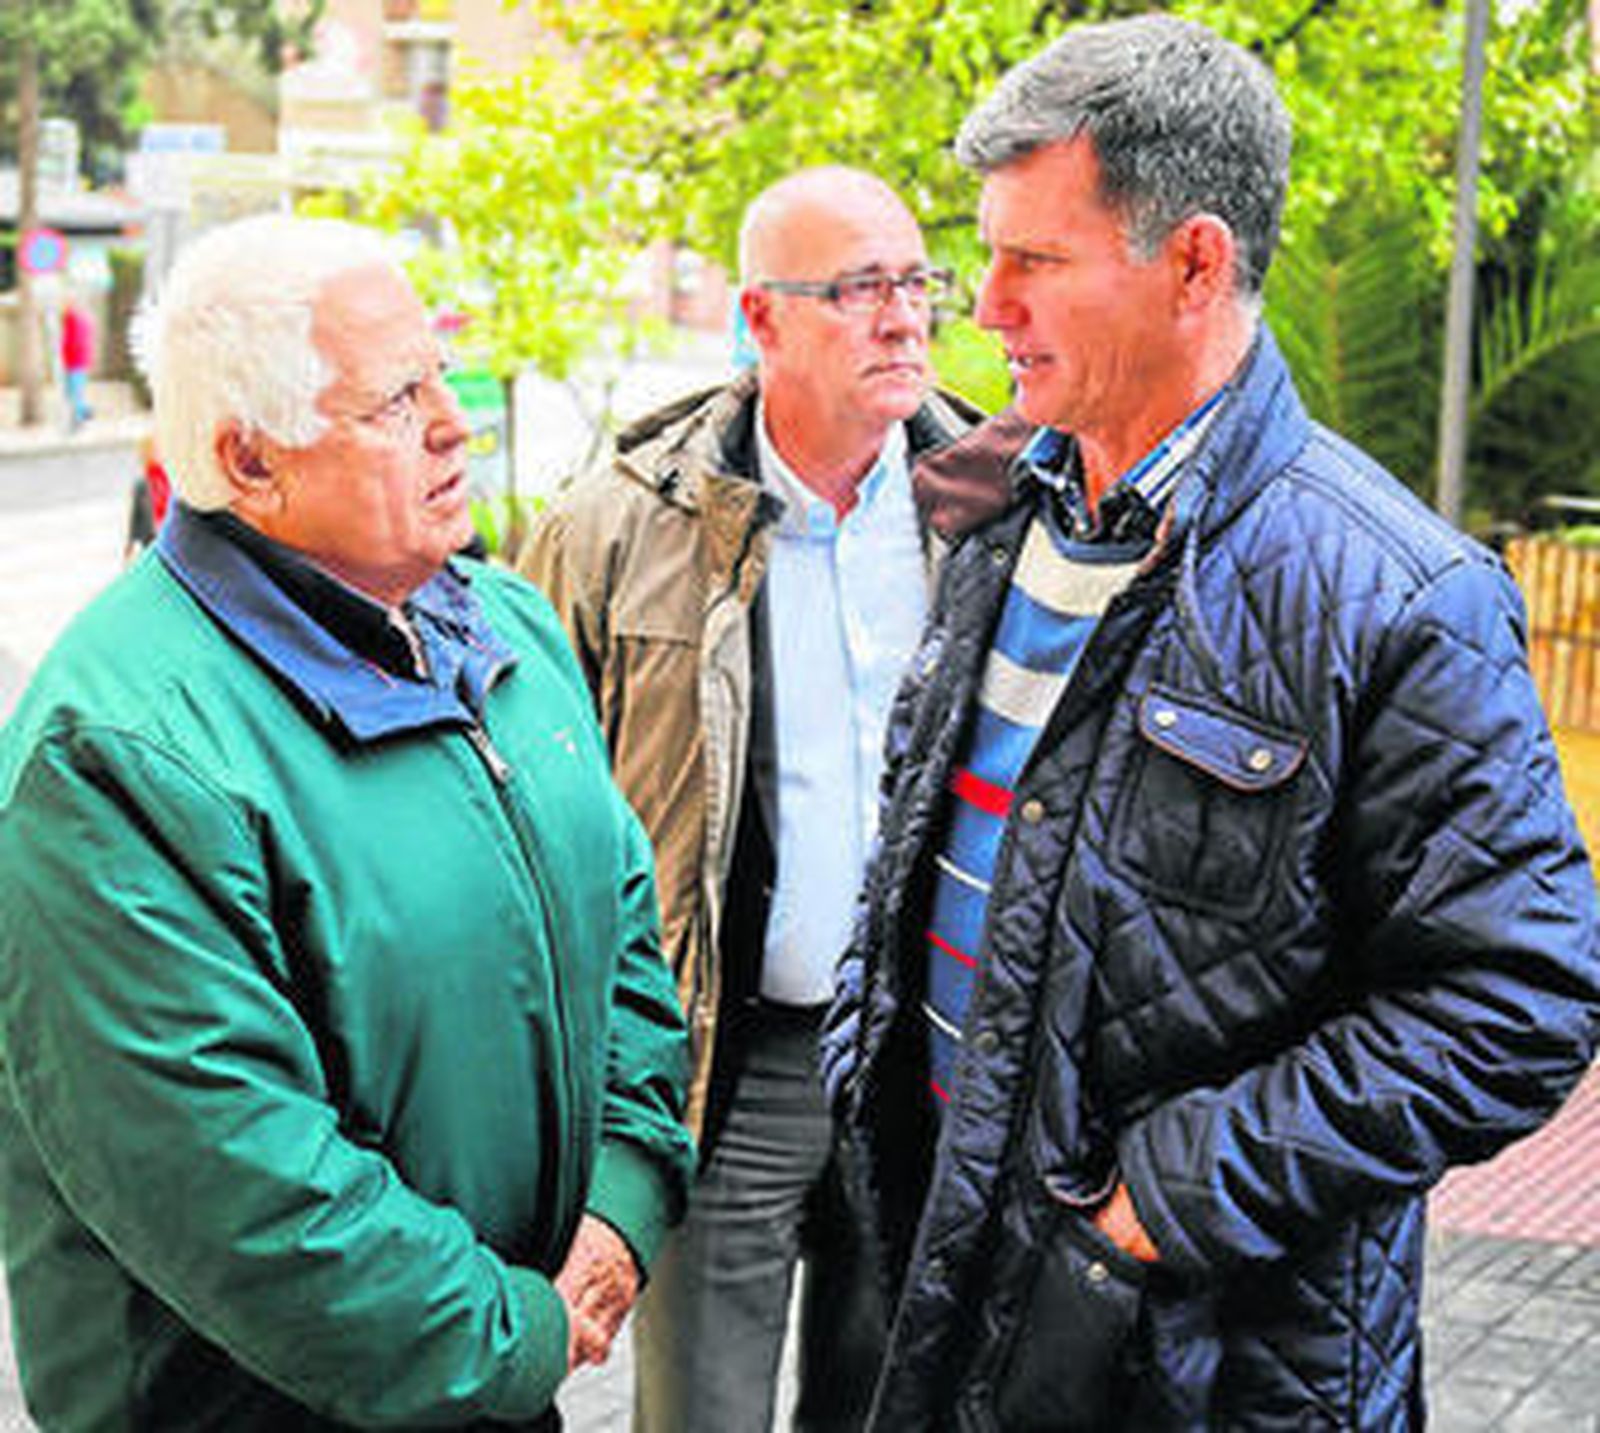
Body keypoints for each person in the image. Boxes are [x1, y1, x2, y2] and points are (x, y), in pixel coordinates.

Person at [822, 17, 1600, 1430]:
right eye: (982, 252)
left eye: (1034, 262)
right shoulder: (1000, 513)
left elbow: (1520, 1000)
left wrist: (1159, 1206)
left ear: (1192, 262)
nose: (983, 305)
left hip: (1210, 1365)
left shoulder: (1400, 594)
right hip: (940, 1283)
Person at [0, 214, 695, 1431]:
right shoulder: (113, 750)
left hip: (490, 1379)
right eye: (391, 403)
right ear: (249, 461)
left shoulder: (505, 629)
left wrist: (620, 1204)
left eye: (438, 375)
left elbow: (623, 934)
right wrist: (526, 1328)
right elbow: (235, 1184)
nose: (452, 423)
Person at [520, 167, 982, 1433]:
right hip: (729, 1062)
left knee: (887, 1401)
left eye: (914, 282)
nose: (902, 317)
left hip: (921, 1060)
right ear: (760, 318)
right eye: (856, 290)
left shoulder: (994, 502)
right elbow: (533, 809)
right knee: (701, 1413)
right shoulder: (619, 525)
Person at [59, 297, 96, 431]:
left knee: (75, 392)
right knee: (72, 391)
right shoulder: (81, 320)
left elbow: (73, 342)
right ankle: (83, 413)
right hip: (76, 361)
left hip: (75, 361)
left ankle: (81, 417)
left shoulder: (74, 321)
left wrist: (69, 355)